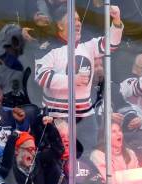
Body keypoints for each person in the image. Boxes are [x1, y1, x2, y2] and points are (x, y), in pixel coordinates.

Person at [34, 4, 123, 154]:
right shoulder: (48, 48)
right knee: (62, 155)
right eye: (73, 20)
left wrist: (116, 21)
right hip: (58, 116)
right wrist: (72, 79)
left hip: (86, 117)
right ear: (60, 26)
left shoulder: (87, 45)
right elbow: (42, 77)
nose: (78, 23)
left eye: (79, 19)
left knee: (88, 156)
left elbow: (111, 43)